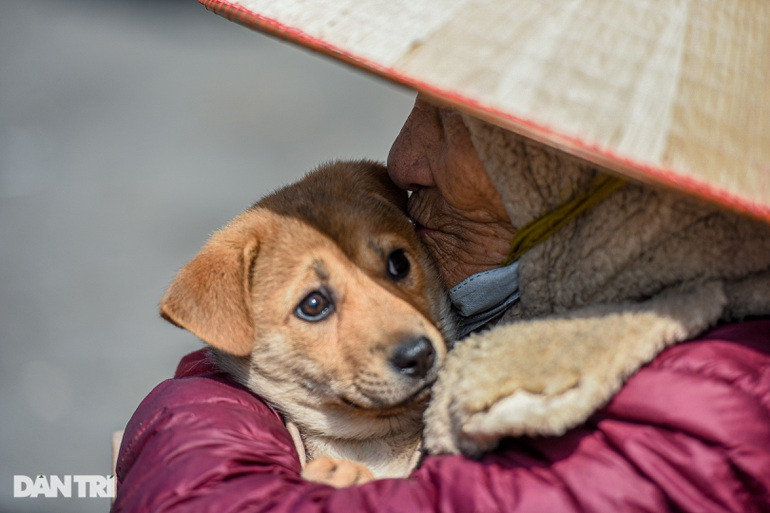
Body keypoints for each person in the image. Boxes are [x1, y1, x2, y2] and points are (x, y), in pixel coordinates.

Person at [114, 2, 770, 511]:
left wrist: (190, 418)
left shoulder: (707, 403)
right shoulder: (568, 292)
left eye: (457, 119)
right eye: (421, 104)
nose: (402, 159)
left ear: (584, 161)